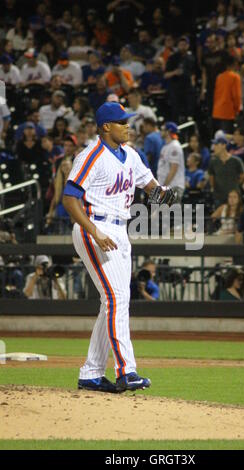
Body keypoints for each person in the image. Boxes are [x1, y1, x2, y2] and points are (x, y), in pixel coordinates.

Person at [62, 101, 174, 393]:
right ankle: (127, 370)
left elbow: (152, 188)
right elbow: (70, 199)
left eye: (128, 121)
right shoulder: (91, 155)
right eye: (122, 122)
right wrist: (94, 231)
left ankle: (91, 373)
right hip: (94, 227)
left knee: (112, 301)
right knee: (116, 299)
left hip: (121, 230)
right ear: (106, 126)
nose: (128, 126)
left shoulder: (131, 156)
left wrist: (164, 195)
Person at [164, 36, 196, 122]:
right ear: (177, 45)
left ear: (188, 45)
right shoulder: (172, 58)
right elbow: (165, 75)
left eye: (185, 44)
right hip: (175, 89)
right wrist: (174, 72)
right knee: (176, 113)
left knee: (189, 113)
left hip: (188, 89)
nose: (183, 46)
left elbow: (194, 73)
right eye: (181, 44)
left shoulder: (191, 58)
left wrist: (193, 81)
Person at [208, 136, 244, 207]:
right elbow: (211, 177)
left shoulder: (236, 160)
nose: (214, 147)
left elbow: (242, 176)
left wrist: (234, 186)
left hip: (234, 197)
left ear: (224, 145)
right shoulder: (213, 161)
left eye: (216, 145)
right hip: (218, 197)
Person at [212, 55, 242, 134]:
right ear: (234, 64)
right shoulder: (235, 77)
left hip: (216, 112)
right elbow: (236, 96)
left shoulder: (219, 77)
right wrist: (237, 110)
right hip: (228, 113)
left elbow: (215, 94)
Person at [157, 122, 185, 202]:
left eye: (162, 129)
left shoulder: (174, 147)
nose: (160, 131)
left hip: (173, 186)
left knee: (172, 214)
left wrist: (164, 187)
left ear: (168, 132)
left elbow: (173, 170)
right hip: (168, 187)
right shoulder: (166, 147)